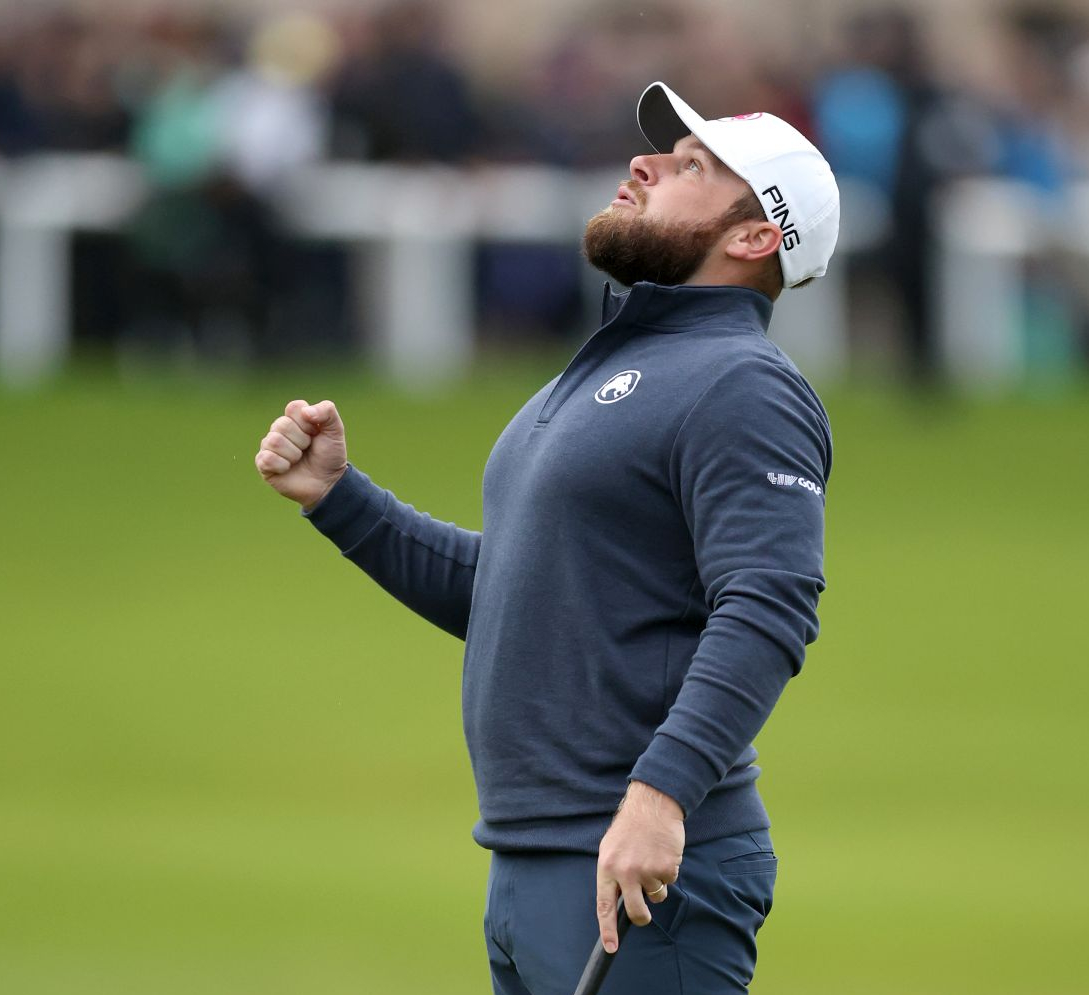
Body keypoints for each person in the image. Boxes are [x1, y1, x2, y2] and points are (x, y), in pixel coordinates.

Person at [255, 81, 839, 994]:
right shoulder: (609, 369)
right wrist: (339, 499)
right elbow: (521, 591)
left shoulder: (742, 384)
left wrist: (662, 793)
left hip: (638, 865)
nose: (642, 166)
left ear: (754, 236)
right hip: (535, 861)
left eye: (690, 168)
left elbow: (769, 606)